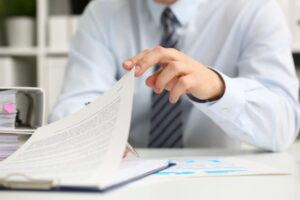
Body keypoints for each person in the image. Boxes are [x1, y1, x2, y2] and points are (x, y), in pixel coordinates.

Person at [49, 0, 300, 152]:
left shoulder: (254, 9)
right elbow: (74, 103)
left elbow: (283, 127)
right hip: (125, 178)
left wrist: (217, 88)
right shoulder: (103, 11)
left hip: (219, 184)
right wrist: (93, 134)